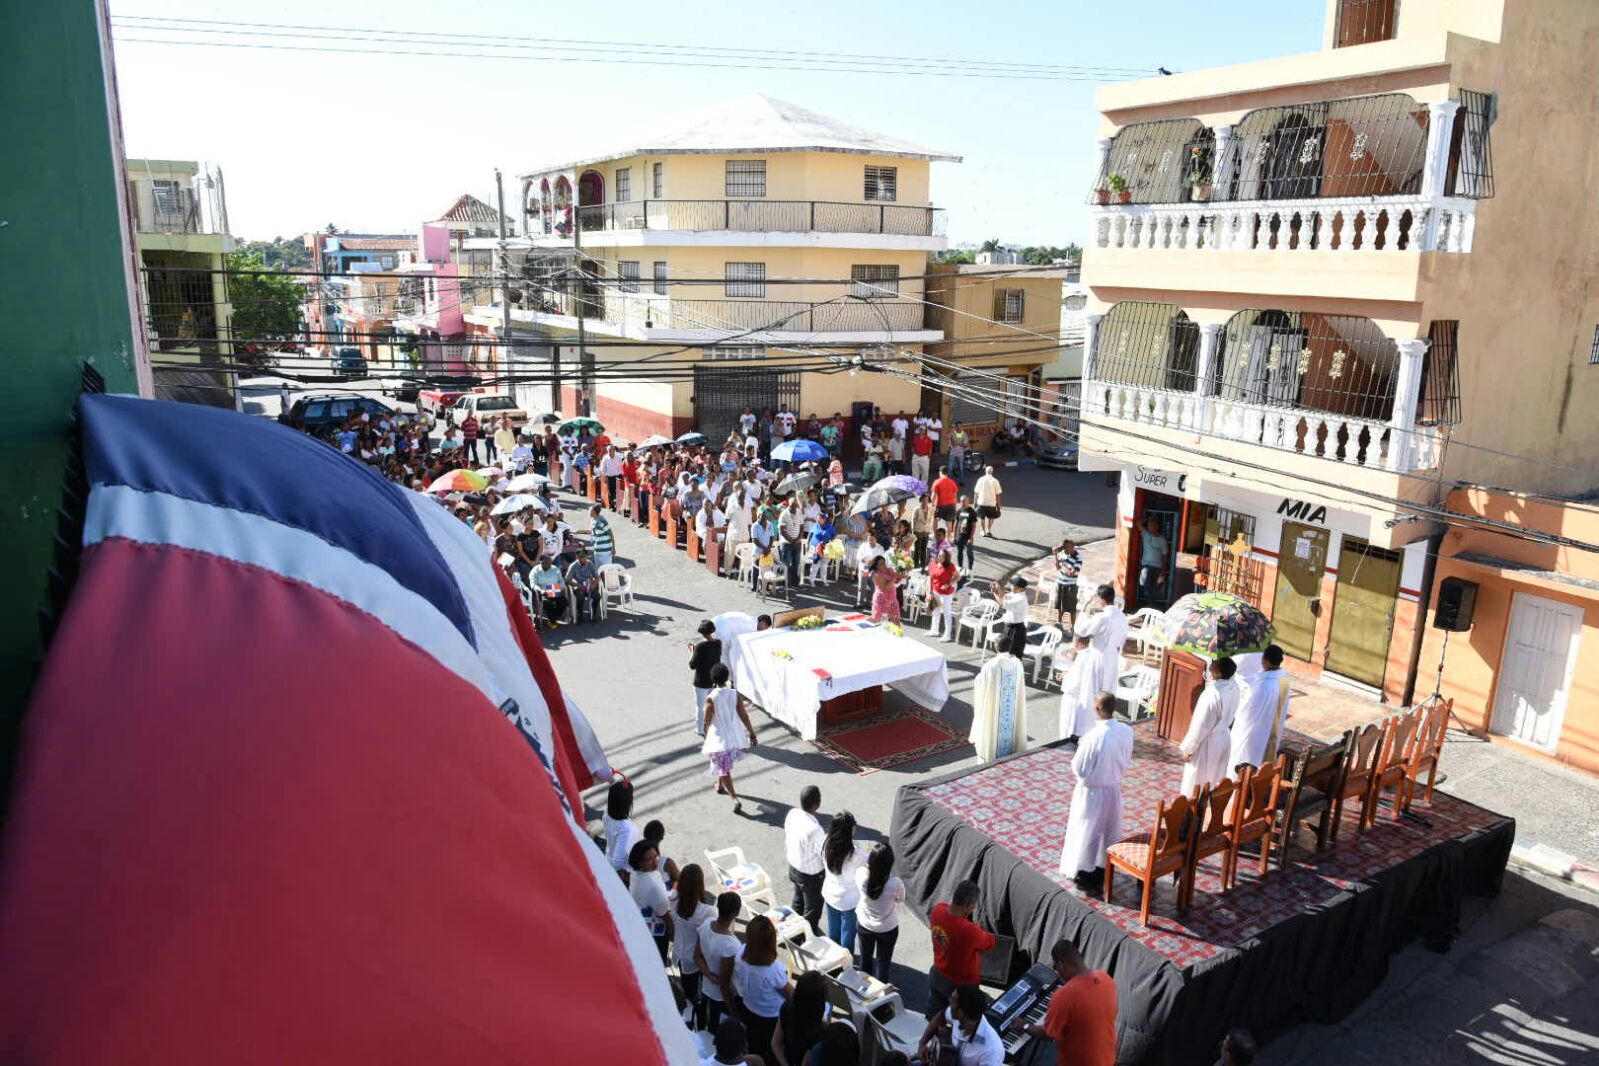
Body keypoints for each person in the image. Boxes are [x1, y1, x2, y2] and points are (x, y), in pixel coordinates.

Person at [1059, 692, 1134, 892]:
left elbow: (1080, 769)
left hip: (1091, 794)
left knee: (1087, 831)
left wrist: (1081, 747)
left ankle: (1084, 871)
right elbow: (1126, 759)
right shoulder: (1126, 731)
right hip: (1112, 790)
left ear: (1098, 709)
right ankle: (1102, 867)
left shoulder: (1093, 737)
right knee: (1108, 831)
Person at [1010, 939, 1118, 1066]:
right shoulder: (1105, 978)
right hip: (1107, 1060)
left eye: (1056, 967)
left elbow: (1048, 1034)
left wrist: (1025, 1026)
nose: (1057, 971)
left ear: (1061, 964)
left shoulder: (1063, 996)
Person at [926, 881, 995, 1016]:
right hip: (960, 985)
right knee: (964, 1020)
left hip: (938, 973)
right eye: (973, 906)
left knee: (933, 1015)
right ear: (969, 905)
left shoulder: (938, 910)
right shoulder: (969, 930)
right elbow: (989, 942)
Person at [733, 915, 791, 1061]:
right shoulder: (773, 968)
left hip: (749, 1009)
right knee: (770, 1053)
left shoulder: (740, 954)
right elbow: (790, 993)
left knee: (755, 1048)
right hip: (772, 1017)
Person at [702, 664, 757, 814]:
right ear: (726, 678)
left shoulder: (711, 698)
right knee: (723, 765)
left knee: (723, 768)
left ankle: (734, 798)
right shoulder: (734, 694)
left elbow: (706, 721)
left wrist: (706, 735)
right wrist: (752, 733)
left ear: (713, 679)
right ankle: (719, 785)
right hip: (733, 737)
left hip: (719, 739)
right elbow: (744, 716)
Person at [1181, 657, 1241, 793]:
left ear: (1218, 673)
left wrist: (1189, 749)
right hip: (1223, 737)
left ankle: (1191, 811)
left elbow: (1201, 725)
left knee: (1196, 782)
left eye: (1213, 665)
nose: (1210, 666)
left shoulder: (1212, 694)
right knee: (1213, 780)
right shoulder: (1235, 687)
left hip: (1207, 742)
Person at [1230, 644, 1291, 773]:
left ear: (1266, 660)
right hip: (1270, 731)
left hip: (1254, 737)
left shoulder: (1263, 685)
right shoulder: (1284, 679)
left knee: (1242, 765)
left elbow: (1246, 713)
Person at [971, 642, 1029, 763]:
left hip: (995, 710)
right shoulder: (1017, 663)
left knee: (992, 725)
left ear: (995, 647)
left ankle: (991, 755)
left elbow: (981, 684)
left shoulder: (991, 665)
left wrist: (977, 680)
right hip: (1012, 708)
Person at [855, 844, 906, 982]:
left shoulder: (861, 876)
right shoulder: (895, 883)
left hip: (865, 925)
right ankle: (880, 996)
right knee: (883, 963)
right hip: (888, 928)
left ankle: (864, 990)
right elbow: (900, 899)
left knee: (865, 960)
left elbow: (864, 869)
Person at [917, 985, 1004, 1066]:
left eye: (952, 1000)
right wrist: (922, 1043)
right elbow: (940, 1016)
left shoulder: (991, 1051)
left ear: (961, 1012)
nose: (949, 1001)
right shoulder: (959, 1017)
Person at [673, 863, 716, 1027]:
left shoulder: (674, 902)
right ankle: (699, 1022)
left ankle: (692, 1018)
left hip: (680, 954)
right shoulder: (706, 912)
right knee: (698, 995)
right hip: (696, 961)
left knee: (689, 992)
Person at [820, 811, 864, 958]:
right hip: (849, 901)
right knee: (847, 935)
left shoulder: (826, 843)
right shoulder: (855, 853)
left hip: (830, 895)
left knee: (833, 931)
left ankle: (833, 958)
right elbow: (865, 865)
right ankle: (846, 962)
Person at [698, 892, 744, 1031]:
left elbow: (697, 956)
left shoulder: (706, 924)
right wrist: (736, 1015)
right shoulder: (731, 945)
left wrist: (708, 975)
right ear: (736, 912)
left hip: (706, 989)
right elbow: (724, 985)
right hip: (722, 999)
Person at [783, 785, 826, 935]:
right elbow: (823, 852)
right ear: (817, 804)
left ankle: (793, 934)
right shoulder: (814, 829)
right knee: (812, 910)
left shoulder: (792, 814)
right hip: (810, 876)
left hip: (794, 868)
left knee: (798, 901)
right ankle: (807, 939)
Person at [628, 839, 674, 964]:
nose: (655, 862)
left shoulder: (635, 875)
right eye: (649, 860)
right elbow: (666, 917)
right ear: (640, 862)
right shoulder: (652, 886)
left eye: (656, 857)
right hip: (657, 933)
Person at [1078, 585, 1128, 698]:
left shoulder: (1102, 616)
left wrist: (1085, 605)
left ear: (1102, 599)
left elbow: (1082, 630)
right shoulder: (1122, 616)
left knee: (1093, 690)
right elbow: (1123, 639)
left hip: (1099, 655)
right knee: (1108, 689)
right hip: (1113, 656)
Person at [771, 970, 827, 1066]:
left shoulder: (787, 1007)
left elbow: (775, 1044)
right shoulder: (817, 1029)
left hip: (786, 1057)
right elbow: (806, 1063)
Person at [1057, 634, 1098, 743]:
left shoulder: (1082, 657)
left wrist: (1065, 677)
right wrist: (1068, 673)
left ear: (1077, 642)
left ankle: (1066, 742)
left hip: (1074, 697)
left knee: (1069, 723)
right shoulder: (1091, 654)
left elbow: (1074, 683)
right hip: (1085, 695)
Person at [689, 620, 723, 737]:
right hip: (713, 680)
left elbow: (692, 665)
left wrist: (692, 652)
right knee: (711, 704)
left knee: (700, 706)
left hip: (701, 680)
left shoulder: (700, 646)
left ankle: (700, 729)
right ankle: (711, 725)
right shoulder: (718, 643)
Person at [602, 776, 638, 874]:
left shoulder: (606, 815)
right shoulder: (625, 829)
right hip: (625, 870)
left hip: (608, 856)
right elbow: (617, 863)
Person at [990, 575, 1031, 658]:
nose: (1011, 586)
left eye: (1013, 585)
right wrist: (997, 588)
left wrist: (994, 592)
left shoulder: (1020, 599)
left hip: (1016, 630)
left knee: (1012, 653)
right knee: (1004, 651)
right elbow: (1003, 596)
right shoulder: (1015, 593)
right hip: (1009, 628)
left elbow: (1002, 602)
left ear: (1020, 588)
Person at [926, 546, 960, 642]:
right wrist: (930, 592)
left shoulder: (950, 566)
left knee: (946, 614)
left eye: (943, 556)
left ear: (946, 558)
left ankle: (947, 635)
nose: (940, 557)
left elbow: (958, 577)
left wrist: (949, 584)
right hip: (935, 592)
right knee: (935, 612)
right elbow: (931, 579)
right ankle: (934, 630)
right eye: (939, 555)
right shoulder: (933, 564)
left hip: (945, 594)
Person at [1138, 515, 1169, 607]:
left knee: (1154, 588)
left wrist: (1163, 571)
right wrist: (1147, 519)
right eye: (1150, 525)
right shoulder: (1145, 534)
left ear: (1157, 526)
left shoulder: (1162, 540)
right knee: (1144, 583)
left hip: (1157, 567)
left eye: (1153, 525)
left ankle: (1150, 605)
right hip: (1146, 565)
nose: (1151, 527)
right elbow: (1138, 523)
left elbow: (1165, 556)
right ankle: (1150, 604)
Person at [531, 553, 568, 626]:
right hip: (542, 592)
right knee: (548, 603)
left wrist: (562, 588)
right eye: (546, 562)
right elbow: (533, 584)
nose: (549, 563)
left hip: (554, 589)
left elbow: (561, 581)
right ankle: (552, 620)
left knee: (564, 602)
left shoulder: (555, 569)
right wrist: (542, 591)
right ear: (541, 562)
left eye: (550, 561)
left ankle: (553, 618)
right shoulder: (535, 570)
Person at [1053, 538, 1083, 628]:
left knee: (1071, 608)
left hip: (1071, 586)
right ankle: (1059, 623)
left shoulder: (1078, 557)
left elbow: (1072, 572)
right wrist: (1055, 555)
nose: (1066, 550)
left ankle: (1072, 627)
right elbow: (1057, 567)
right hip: (1060, 583)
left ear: (1073, 547)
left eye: (1067, 548)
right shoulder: (1063, 554)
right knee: (1059, 605)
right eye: (1065, 548)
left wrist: (1063, 564)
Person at [565, 549, 601, 622]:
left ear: (586, 557)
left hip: (590, 585)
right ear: (577, 557)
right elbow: (567, 579)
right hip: (579, 586)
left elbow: (597, 577)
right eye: (580, 557)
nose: (582, 558)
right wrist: (578, 585)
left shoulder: (590, 563)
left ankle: (593, 614)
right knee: (580, 597)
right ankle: (580, 615)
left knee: (597, 596)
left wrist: (593, 585)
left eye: (584, 557)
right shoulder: (573, 566)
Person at [778, 497, 805, 588]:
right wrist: (790, 540)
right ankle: (784, 583)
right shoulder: (783, 514)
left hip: (797, 542)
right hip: (786, 542)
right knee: (785, 563)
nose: (794, 508)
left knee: (795, 563)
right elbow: (782, 530)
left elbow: (801, 527)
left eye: (795, 505)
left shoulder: (799, 513)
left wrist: (797, 539)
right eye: (792, 506)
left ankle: (794, 582)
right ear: (788, 505)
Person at [868, 556, 902, 624]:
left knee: (896, 619)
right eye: (880, 564)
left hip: (892, 598)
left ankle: (896, 633)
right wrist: (894, 578)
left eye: (883, 563)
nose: (883, 565)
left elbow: (896, 581)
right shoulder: (875, 574)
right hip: (881, 599)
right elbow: (885, 587)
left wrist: (900, 575)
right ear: (876, 566)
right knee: (876, 620)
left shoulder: (889, 569)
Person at [972, 466, 1003, 536]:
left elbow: (976, 492)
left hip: (981, 503)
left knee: (982, 518)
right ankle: (989, 530)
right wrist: (998, 505)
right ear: (992, 472)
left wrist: (974, 503)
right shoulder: (995, 480)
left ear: (985, 472)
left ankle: (983, 531)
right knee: (991, 517)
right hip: (991, 503)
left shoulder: (980, 480)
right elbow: (998, 494)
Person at [953, 495, 979, 571]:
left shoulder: (972, 511)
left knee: (969, 553)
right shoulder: (959, 510)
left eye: (964, 501)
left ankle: (970, 569)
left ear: (968, 501)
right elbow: (956, 523)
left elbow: (974, 525)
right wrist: (954, 536)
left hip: (968, 537)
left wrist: (971, 537)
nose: (962, 503)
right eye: (961, 501)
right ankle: (960, 568)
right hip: (959, 536)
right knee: (959, 553)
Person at [588, 503, 614, 569]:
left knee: (607, 572)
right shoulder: (593, 521)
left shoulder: (602, 521)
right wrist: (579, 531)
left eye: (590, 510)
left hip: (605, 552)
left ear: (594, 511)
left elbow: (611, 534)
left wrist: (613, 548)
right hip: (597, 551)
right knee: (598, 572)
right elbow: (593, 532)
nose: (589, 511)